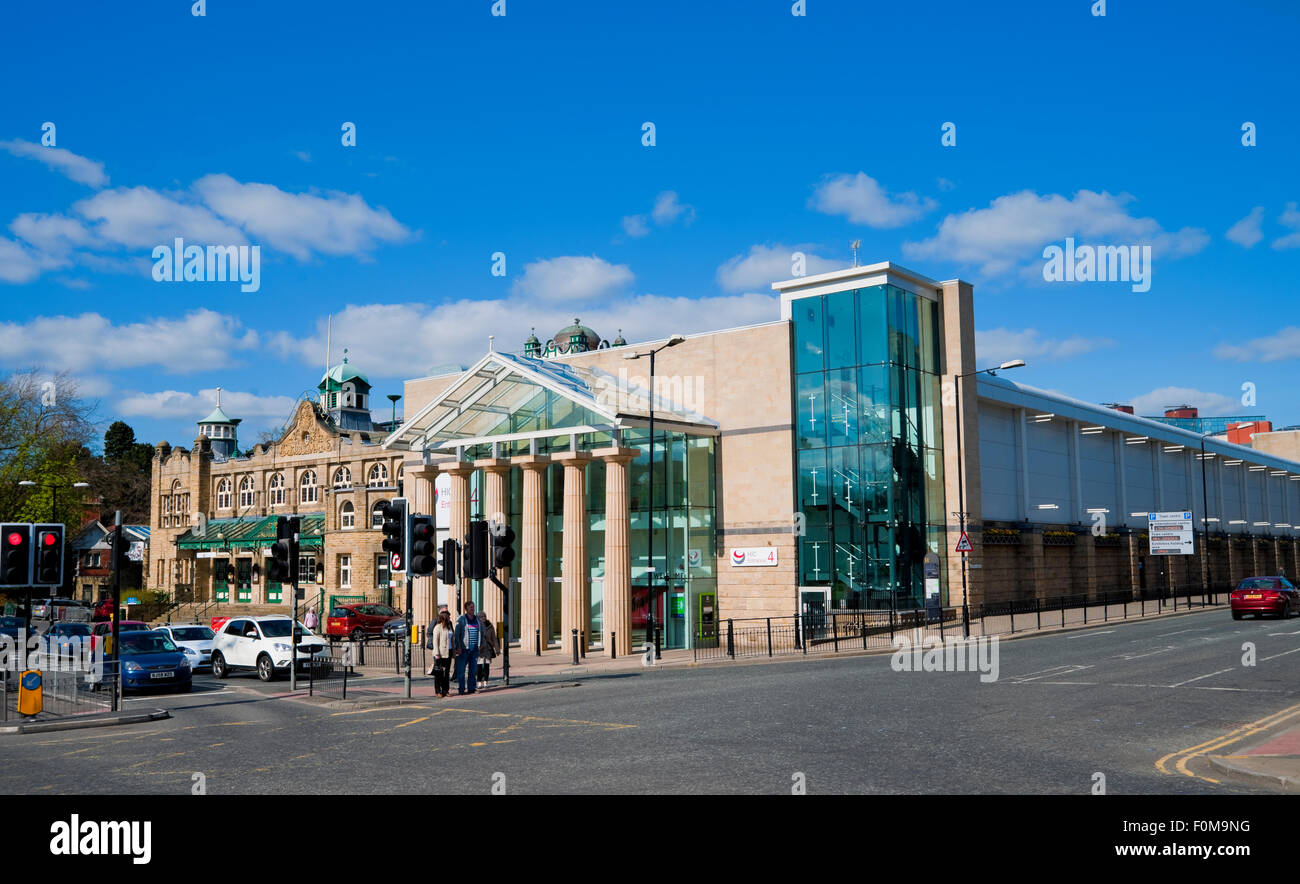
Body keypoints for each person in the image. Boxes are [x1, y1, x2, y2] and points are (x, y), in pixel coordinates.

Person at [452, 601, 485, 695]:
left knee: (473, 670)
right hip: (463, 649)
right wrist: (458, 647)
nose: (472, 609)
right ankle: (461, 689)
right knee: (461, 670)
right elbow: (456, 635)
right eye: (470, 607)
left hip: (474, 648)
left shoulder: (477, 619)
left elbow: (482, 632)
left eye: (473, 607)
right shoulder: (462, 619)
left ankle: (471, 688)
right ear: (466, 609)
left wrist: (481, 644)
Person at [426, 609, 454, 698]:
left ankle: (446, 690)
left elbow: (452, 639)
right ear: (445, 618)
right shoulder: (437, 627)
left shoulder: (449, 626)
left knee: (447, 672)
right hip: (440, 653)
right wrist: (437, 653)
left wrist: (454, 649)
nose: (450, 618)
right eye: (448, 616)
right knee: (439, 673)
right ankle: (438, 691)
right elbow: (435, 641)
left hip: (448, 652)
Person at [477, 613, 501, 684]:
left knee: (487, 665)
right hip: (480, 649)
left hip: (488, 649)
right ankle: (479, 681)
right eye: (481, 617)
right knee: (479, 666)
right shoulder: (477, 626)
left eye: (484, 616)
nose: (483, 618)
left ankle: (485, 681)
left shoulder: (490, 626)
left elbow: (494, 638)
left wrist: (497, 649)